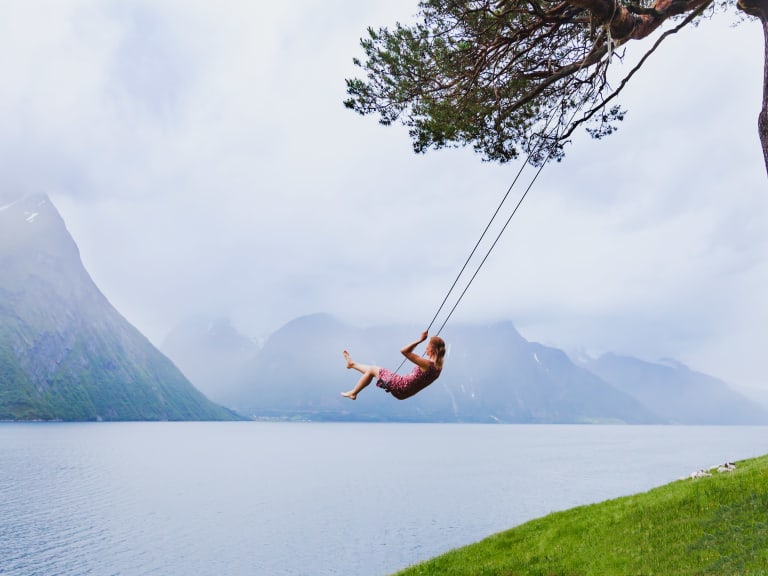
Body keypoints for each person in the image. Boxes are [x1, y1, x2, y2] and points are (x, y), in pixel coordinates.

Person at [341, 331, 446, 400]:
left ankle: (353, 393)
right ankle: (352, 364)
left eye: (427, 347)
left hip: (400, 385)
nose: (425, 349)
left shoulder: (427, 364)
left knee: (373, 369)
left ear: (432, 349)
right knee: (372, 371)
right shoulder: (438, 368)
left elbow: (404, 351)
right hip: (405, 394)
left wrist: (420, 340)